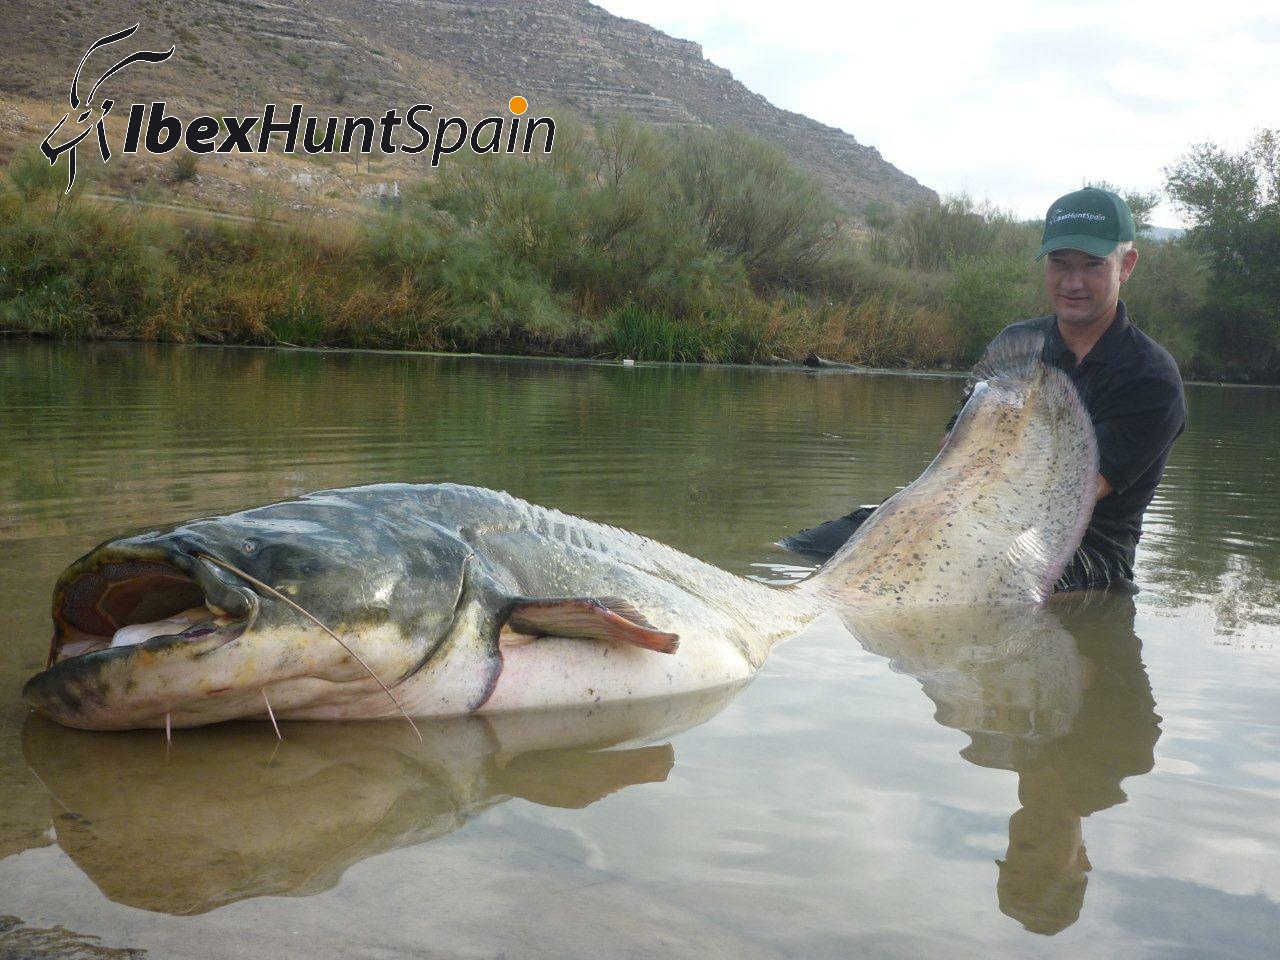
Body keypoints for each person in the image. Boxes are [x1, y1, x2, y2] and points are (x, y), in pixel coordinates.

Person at [780, 187, 1188, 592]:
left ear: (1126, 264)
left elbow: (1068, 494)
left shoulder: (1150, 376)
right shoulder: (1017, 344)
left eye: (1092, 265)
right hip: (963, 518)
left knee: (961, 575)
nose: (1072, 281)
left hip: (1085, 555)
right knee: (808, 545)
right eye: (1059, 263)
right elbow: (953, 449)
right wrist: (907, 517)